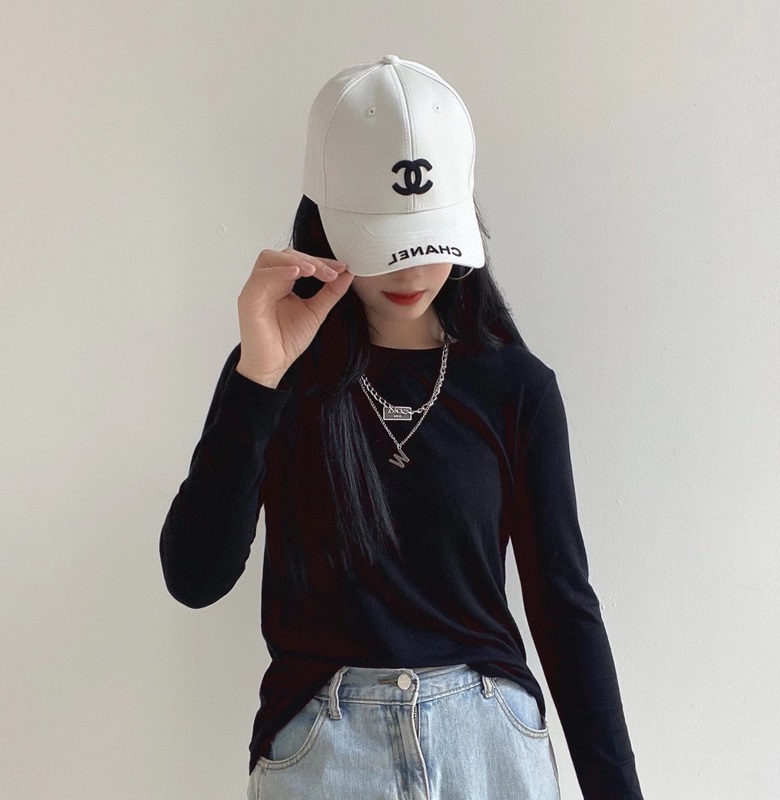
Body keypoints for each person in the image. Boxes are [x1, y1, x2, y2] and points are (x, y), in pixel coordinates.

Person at [159, 55, 644, 800]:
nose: (411, 272)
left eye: (429, 238)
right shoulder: (276, 373)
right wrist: (259, 377)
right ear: (325, 223)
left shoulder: (517, 388)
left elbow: (563, 607)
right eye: (384, 242)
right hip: (324, 750)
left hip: (489, 747)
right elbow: (194, 579)